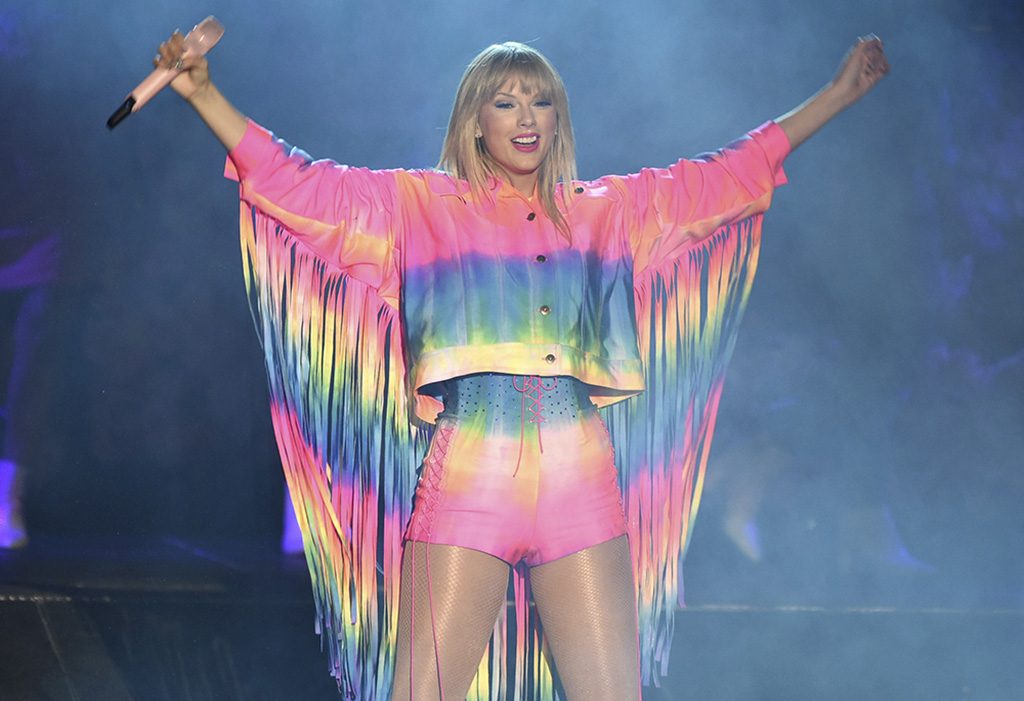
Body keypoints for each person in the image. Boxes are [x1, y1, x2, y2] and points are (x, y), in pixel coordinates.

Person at [154, 31, 888, 701]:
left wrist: (836, 95)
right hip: (469, 484)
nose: (526, 114)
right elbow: (294, 182)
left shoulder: (609, 211)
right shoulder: (418, 206)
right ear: (477, 120)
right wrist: (201, 94)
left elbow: (729, 174)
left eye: (540, 99)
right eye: (506, 101)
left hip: (582, 491)